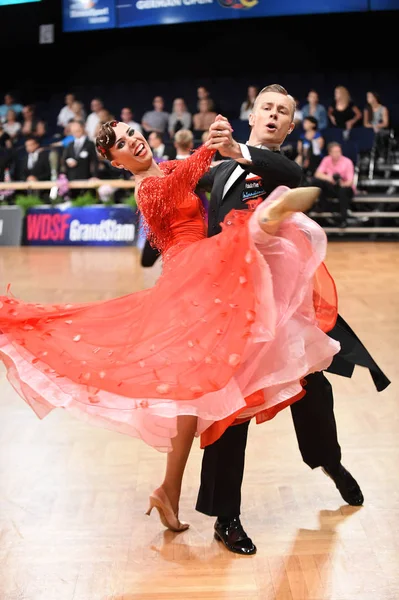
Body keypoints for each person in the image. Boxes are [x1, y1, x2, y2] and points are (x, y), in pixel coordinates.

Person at [0, 114, 339, 534]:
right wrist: (210, 145)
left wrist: (228, 144)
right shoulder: (148, 188)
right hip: (191, 278)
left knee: (190, 401)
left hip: (209, 276)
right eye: (122, 144)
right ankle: (268, 219)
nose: (133, 141)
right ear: (116, 162)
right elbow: (186, 180)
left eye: (131, 132)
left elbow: (213, 171)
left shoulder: (172, 168)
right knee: (240, 242)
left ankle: (168, 490)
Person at [196, 84, 390, 556]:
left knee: (312, 392)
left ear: (287, 125)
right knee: (231, 406)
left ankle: (329, 462)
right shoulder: (217, 168)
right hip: (231, 310)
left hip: (284, 310)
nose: (273, 114)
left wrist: (240, 151)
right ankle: (227, 517)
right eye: (267, 107)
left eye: (282, 112)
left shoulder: (280, 170)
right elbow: (189, 212)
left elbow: (293, 175)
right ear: (251, 113)